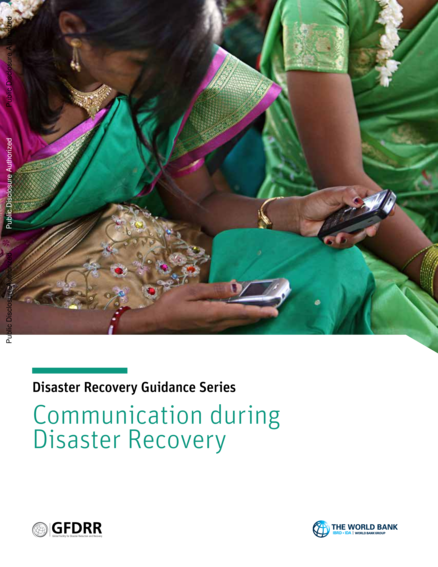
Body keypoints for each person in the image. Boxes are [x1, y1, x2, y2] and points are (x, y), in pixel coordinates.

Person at [0, 0, 379, 336]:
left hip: (133, 244)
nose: (167, 86)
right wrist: (141, 323)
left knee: (327, 268)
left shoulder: (164, 58)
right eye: (142, 65)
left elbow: (201, 203)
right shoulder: (6, 100)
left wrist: (297, 212)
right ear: (73, 29)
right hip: (35, 293)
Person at [257, 0, 438, 350]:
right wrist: (431, 266)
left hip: (429, 201)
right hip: (332, 225)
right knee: (414, 327)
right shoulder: (316, 5)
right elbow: (339, 177)